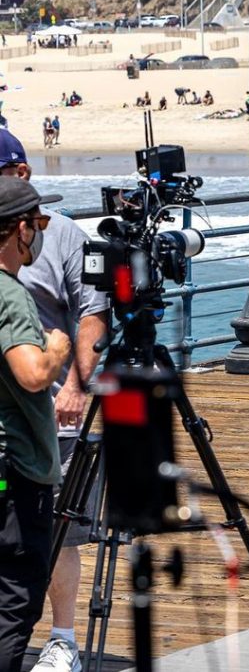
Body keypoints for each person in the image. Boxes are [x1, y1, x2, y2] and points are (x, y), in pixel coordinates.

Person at [0, 135, 109, 672]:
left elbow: (91, 311)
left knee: (65, 528)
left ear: (18, 171)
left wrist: (79, 384)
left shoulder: (62, 235)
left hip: (55, 413)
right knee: (17, 552)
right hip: (11, 427)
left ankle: (62, 636)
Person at [0, 176, 72, 672]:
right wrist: (57, 350)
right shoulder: (10, 295)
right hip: (16, 468)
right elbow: (30, 374)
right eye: (39, 223)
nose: (41, 234)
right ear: (19, 230)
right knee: (14, 598)